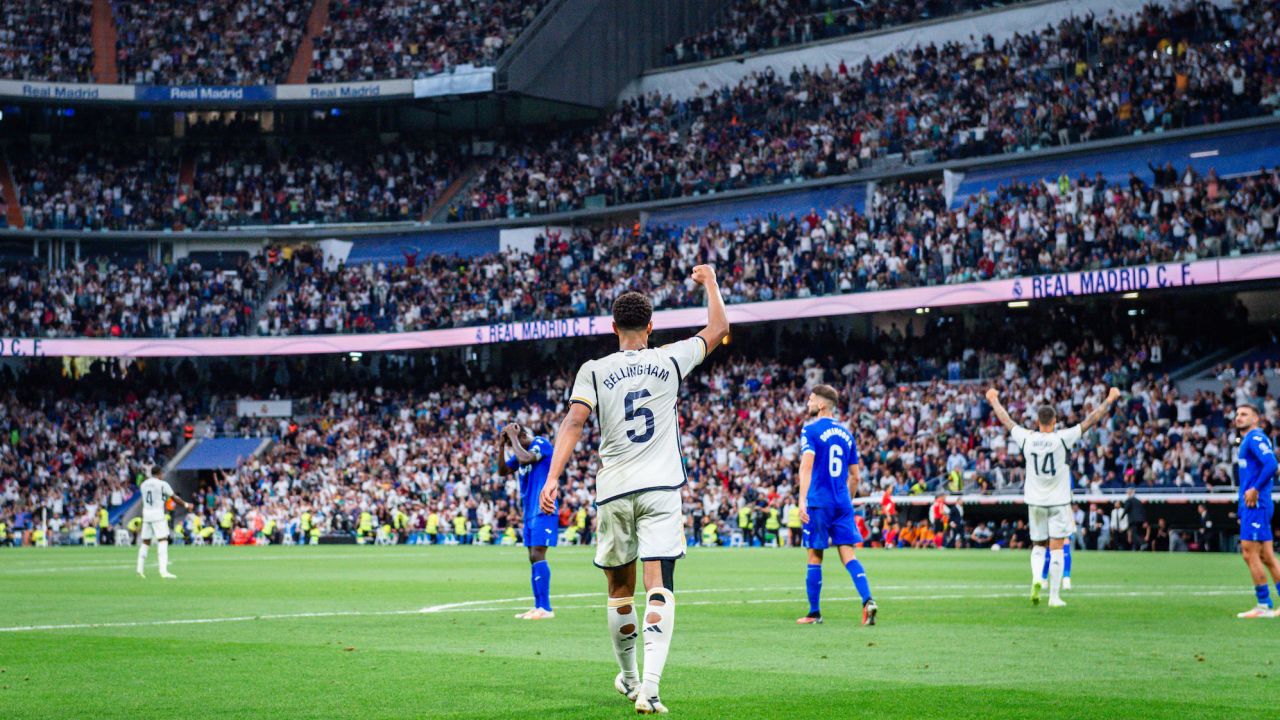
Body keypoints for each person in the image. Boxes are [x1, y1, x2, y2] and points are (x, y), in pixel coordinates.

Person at [540, 264, 729, 715]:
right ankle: (650, 687)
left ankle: (627, 677)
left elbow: (574, 422)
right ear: (651, 326)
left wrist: (552, 477)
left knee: (619, 589)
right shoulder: (670, 358)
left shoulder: (594, 369)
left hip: (615, 488)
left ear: (612, 327)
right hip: (661, 487)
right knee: (658, 586)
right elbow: (720, 328)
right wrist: (711, 283)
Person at [986, 386, 1120, 607]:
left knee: (1038, 545)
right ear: (1055, 420)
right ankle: (1054, 597)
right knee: (1056, 547)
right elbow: (1090, 420)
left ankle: (1038, 578)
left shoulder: (1027, 438)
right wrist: (1109, 399)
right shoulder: (1062, 438)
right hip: (1058, 501)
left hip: (1035, 501)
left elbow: (1006, 420)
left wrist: (994, 400)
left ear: (1038, 421)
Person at [795, 384, 878, 626]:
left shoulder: (810, 431)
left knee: (815, 555)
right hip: (842, 501)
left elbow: (806, 467)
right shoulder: (847, 435)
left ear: (821, 405)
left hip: (819, 501)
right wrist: (846, 501)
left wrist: (802, 500)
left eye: (811, 399)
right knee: (848, 554)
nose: (808, 403)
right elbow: (855, 477)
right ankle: (868, 600)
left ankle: (814, 613)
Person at [499, 422, 557, 620]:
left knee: (538, 554)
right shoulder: (520, 450)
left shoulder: (541, 443)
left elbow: (526, 459)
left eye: (512, 442)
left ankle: (546, 608)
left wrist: (513, 437)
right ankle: (538, 606)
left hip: (543, 507)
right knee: (532, 557)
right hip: (529, 511)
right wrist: (501, 446)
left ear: (521, 435)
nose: (511, 447)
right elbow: (502, 471)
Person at [1233, 404, 1280, 618]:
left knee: (1249, 553)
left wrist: (1255, 489)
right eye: (1237, 414)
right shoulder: (1247, 440)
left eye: (1244, 414)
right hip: (1251, 505)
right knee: (1267, 556)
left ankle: (1263, 605)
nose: (1238, 417)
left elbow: (1272, 464)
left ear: (1255, 418)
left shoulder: (1255, 438)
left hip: (1256, 504)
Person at [136, 468, 194, 579]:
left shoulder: (143, 485)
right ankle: (163, 571)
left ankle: (139, 569)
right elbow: (174, 498)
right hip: (158, 514)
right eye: (162, 473)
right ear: (159, 474)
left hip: (146, 515)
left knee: (145, 542)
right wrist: (187, 505)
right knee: (163, 540)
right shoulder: (162, 484)